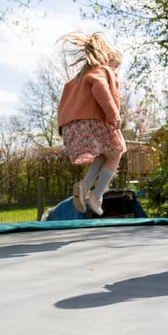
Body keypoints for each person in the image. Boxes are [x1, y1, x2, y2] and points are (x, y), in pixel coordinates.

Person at [57, 32, 126, 216]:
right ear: (108, 59)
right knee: (118, 150)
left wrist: (64, 128)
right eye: (116, 66)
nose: (116, 71)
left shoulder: (78, 78)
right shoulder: (101, 70)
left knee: (105, 153)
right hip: (91, 121)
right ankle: (97, 196)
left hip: (73, 126)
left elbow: (64, 100)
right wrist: (113, 115)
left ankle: (84, 186)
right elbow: (101, 89)